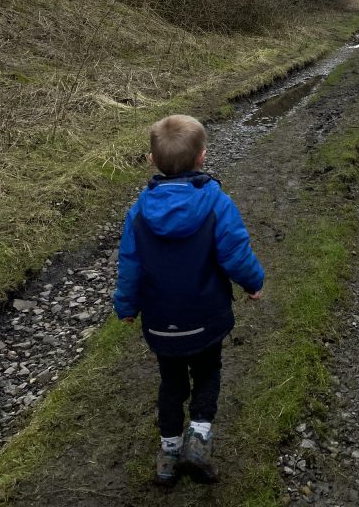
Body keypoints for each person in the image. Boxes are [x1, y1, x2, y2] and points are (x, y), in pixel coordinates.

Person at [113, 113, 264, 487]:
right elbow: (235, 253)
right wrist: (252, 282)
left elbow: (130, 266)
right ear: (202, 158)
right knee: (208, 373)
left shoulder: (139, 213)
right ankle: (198, 441)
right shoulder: (216, 203)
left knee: (171, 381)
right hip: (206, 317)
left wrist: (127, 306)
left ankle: (168, 453)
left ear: (152, 161)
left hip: (161, 322)